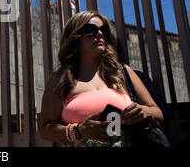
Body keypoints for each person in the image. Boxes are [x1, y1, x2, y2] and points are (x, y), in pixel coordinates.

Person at [38, 10, 164, 147]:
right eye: (91, 29)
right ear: (75, 36)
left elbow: (158, 114)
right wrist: (79, 131)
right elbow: (45, 129)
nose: (100, 33)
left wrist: (143, 112)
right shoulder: (60, 79)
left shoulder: (123, 72)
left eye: (103, 30)